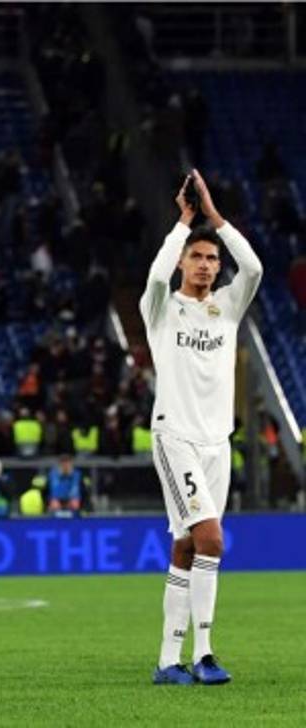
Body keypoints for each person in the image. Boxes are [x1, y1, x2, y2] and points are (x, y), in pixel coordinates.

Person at [141, 170, 261, 686]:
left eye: (212, 258)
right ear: (183, 262)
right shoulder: (162, 309)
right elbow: (154, 277)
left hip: (218, 442)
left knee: (187, 546)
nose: (207, 264)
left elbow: (253, 267)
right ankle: (206, 653)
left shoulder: (226, 307)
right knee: (211, 538)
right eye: (198, 256)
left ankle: (169, 661)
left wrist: (215, 217)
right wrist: (185, 222)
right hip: (176, 437)